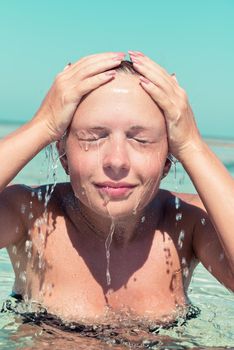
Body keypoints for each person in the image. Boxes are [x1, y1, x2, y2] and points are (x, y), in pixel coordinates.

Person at [0, 51, 233, 326]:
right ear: (63, 154)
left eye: (142, 140)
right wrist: (44, 124)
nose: (117, 161)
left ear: (168, 160)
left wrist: (192, 145)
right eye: (93, 137)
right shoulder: (31, 215)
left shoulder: (189, 222)